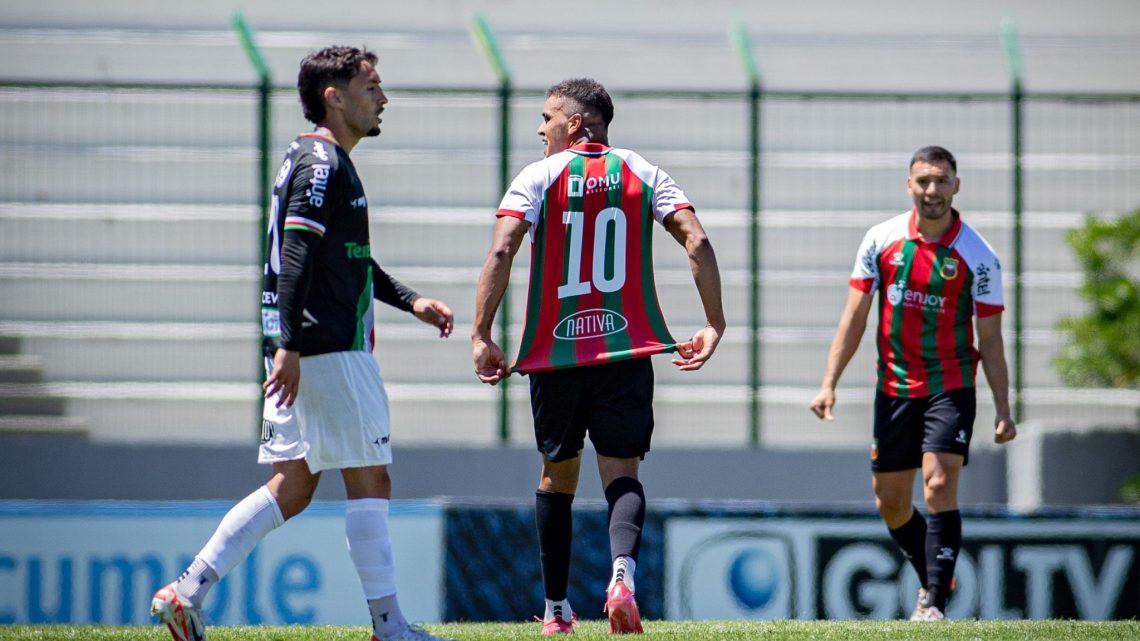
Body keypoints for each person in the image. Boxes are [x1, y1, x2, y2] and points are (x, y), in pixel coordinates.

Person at [149, 46, 455, 641]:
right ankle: (390, 628)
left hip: (303, 346)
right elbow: (295, 257)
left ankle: (187, 591)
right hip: (327, 349)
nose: (383, 99)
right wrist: (288, 344)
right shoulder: (323, 165)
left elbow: (344, 258)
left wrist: (409, 300)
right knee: (371, 480)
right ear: (333, 97)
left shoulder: (313, 158)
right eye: (371, 88)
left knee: (292, 486)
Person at [471, 78, 725, 635]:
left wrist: (482, 332)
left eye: (548, 118)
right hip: (626, 348)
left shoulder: (539, 176)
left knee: (556, 476)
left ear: (577, 125)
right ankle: (622, 577)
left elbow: (502, 248)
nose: (541, 129)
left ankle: (558, 612)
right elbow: (698, 241)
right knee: (622, 472)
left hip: (555, 353)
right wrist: (713, 322)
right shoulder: (642, 171)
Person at [809, 145, 1017, 621]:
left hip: (951, 384)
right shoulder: (880, 241)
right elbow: (854, 318)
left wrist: (1004, 409)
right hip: (894, 388)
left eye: (942, 181)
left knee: (939, 484)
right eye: (923, 181)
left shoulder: (978, 257)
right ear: (910, 186)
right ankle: (936, 569)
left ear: (956, 186)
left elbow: (991, 337)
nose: (932, 190)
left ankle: (934, 600)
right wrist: (828, 383)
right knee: (891, 503)